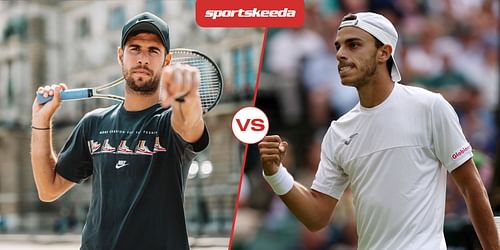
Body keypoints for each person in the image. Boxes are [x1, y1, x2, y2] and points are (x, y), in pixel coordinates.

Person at [258, 12, 499, 249]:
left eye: (354, 45)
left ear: (384, 52)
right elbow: (317, 217)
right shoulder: (338, 132)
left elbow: (471, 187)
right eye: (338, 46)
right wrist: (276, 174)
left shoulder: (430, 106)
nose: (341, 54)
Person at [31, 12, 209, 249]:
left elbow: (189, 121)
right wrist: (40, 122)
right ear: (120, 56)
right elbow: (48, 189)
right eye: (134, 48)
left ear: (167, 60)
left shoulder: (169, 123)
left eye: (153, 50)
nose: (143, 58)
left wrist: (187, 94)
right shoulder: (93, 123)